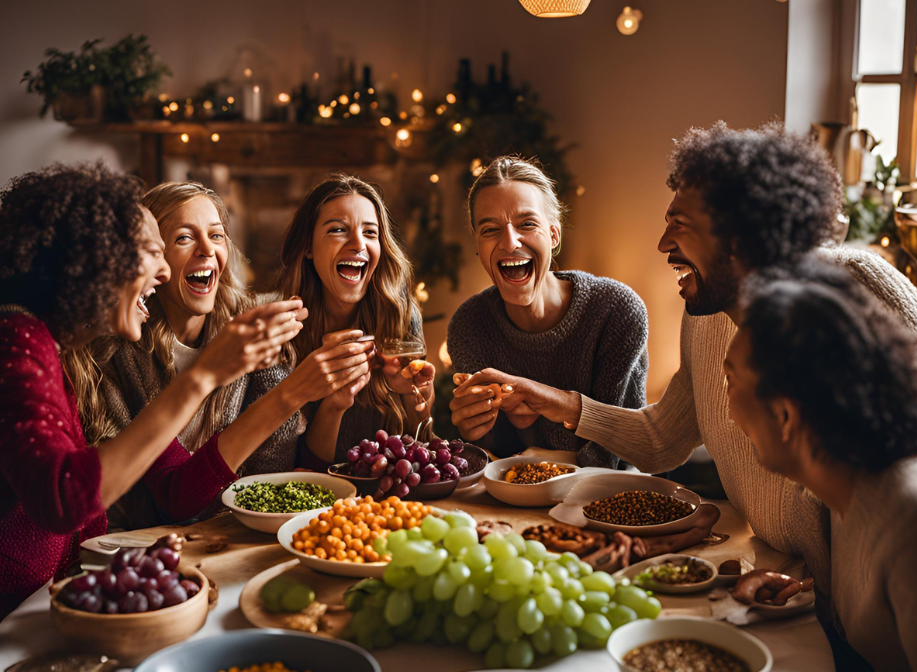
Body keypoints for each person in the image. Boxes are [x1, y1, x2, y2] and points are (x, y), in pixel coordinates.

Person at [454, 123, 917, 605]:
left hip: (881, 604)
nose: (664, 243)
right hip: (792, 579)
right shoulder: (706, 319)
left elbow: (909, 473)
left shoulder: (859, 290)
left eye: (680, 225)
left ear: (738, 235)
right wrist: (558, 404)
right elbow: (662, 442)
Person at [0, 163, 300, 615]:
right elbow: (60, 498)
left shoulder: (50, 345)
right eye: (151, 250)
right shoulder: (16, 339)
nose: (162, 272)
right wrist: (204, 377)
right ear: (93, 255)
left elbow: (163, 470)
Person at [724, 261, 917, 672]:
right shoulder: (847, 491)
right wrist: (804, 594)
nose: (727, 414)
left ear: (786, 417)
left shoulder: (916, 520)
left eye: (732, 382)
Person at [72, 181, 368, 526]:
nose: (206, 250)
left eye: (216, 235)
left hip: (242, 543)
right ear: (151, 257)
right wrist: (293, 392)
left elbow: (273, 480)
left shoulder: (256, 328)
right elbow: (177, 500)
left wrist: (329, 402)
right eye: (184, 238)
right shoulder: (118, 356)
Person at [447, 156, 648, 468]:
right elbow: (497, 461)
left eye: (527, 224)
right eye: (490, 229)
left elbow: (619, 452)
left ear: (554, 235)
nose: (510, 242)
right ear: (478, 244)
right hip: (516, 503)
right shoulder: (469, 325)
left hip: (614, 496)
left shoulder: (616, 309)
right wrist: (478, 430)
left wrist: (549, 400)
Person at [277, 173, 435, 466]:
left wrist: (418, 396)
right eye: (338, 230)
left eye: (370, 232)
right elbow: (296, 471)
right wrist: (334, 404)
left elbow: (421, 447)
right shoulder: (283, 332)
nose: (357, 243)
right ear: (308, 247)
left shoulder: (402, 314)